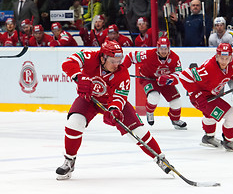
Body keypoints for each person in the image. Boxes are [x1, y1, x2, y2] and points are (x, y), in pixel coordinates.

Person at [56, 40, 174, 180]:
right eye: (113, 61)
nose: (117, 64)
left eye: (119, 60)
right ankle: (69, 160)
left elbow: (119, 97)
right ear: (102, 57)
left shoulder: (122, 72)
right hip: (89, 100)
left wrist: (114, 110)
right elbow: (68, 63)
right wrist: (78, 76)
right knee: (74, 122)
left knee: (137, 131)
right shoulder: (88, 56)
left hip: (110, 103)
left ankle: (160, 158)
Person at [179, 43, 233, 151]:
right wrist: (197, 95)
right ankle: (229, 141)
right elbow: (184, 75)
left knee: (212, 114)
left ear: (231, 57)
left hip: (211, 95)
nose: (224, 61)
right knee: (232, 115)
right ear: (217, 56)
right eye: (221, 58)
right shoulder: (208, 68)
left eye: (227, 58)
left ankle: (208, 137)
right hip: (201, 98)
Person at [123, 36, 187, 130]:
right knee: (154, 96)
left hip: (165, 81)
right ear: (158, 48)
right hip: (148, 78)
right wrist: (123, 69)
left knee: (176, 102)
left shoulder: (174, 58)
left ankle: (175, 120)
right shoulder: (148, 54)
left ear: (169, 48)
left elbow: (179, 75)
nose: (163, 51)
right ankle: (149, 111)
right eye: (161, 48)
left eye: (166, 49)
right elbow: (131, 56)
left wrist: (168, 78)